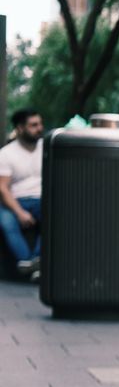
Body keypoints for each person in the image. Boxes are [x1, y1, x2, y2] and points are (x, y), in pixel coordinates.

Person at [0, 109, 44, 279]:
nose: (39, 128)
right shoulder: (6, 154)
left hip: (43, 200)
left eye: (40, 124)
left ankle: (34, 262)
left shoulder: (47, 148)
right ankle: (30, 262)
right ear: (20, 128)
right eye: (33, 125)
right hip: (15, 200)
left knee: (56, 216)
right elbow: (3, 188)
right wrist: (20, 212)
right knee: (6, 222)